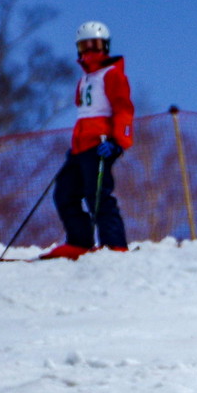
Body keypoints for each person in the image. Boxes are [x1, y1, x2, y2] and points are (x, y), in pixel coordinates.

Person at [39, 20, 134, 260]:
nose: (91, 50)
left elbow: (123, 109)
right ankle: (79, 243)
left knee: (98, 195)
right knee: (64, 194)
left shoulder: (112, 75)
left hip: (100, 145)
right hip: (80, 147)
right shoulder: (85, 80)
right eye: (85, 45)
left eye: (96, 44)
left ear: (106, 46)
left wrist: (118, 141)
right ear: (78, 49)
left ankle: (115, 246)